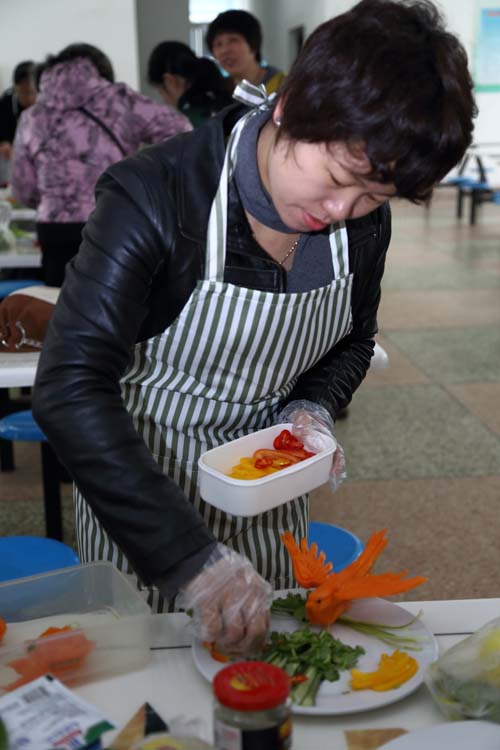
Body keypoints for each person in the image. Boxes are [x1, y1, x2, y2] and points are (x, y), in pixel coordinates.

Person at [33, 0, 476, 653]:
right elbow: (68, 386)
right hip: (141, 500)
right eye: (337, 179)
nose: (341, 210)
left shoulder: (361, 224)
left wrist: (313, 406)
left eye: (373, 198)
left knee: (265, 671)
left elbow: (354, 340)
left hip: (269, 494)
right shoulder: (155, 195)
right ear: (291, 107)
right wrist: (192, 563)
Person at [10, 43, 192, 287]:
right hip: (113, 218)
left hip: (54, 228)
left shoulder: (31, 116)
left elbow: (23, 187)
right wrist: (144, 182)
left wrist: (55, 201)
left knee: (59, 301)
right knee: (116, 300)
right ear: (100, 72)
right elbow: (181, 130)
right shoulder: (120, 100)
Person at [147, 41, 233, 127]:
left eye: (160, 92)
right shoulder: (228, 105)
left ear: (169, 81)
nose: (164, 101)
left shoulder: (180, 124)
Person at [206, 9, 286, 94]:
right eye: (218, 44)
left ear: (253, 44)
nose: (224, 50)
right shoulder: (218, 92)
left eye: (233, 40)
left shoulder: (284, 86)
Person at [0, 61, 37, 160]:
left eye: (32, 92)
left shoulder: (47, 104)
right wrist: (4, 143)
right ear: (15, 88)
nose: (29, 98)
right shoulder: (6, 102)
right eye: (23, 93)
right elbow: (3, 133)